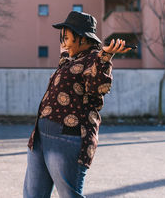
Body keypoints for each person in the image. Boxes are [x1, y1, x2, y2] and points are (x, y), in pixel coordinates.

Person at [23, 11, 131, 198]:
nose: (63, 42)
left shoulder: (95, 60)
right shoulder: (70, 59)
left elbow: (98, 88)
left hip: (68, 137)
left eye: (66, 38)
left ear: (82, 38)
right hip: (40, 136)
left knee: (69, 195)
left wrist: (106, 57)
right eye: (61, 38)